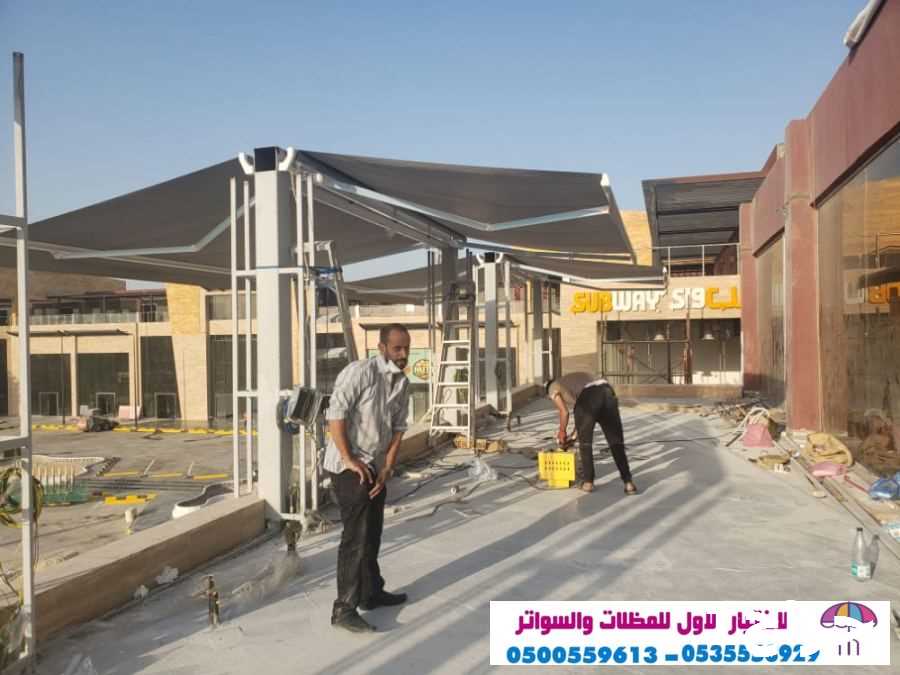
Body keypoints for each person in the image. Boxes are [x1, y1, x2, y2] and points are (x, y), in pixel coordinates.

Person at [324, 323, 411, 633]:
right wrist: (349, 459)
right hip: (347, 466)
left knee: (373, 531)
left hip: (374, 466)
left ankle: (370, 593)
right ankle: (344, 608)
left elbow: (399, 428)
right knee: (356, 536)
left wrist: (387, 466)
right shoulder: (359, 372)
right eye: (397, 348)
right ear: (382, 348)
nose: (402, 354)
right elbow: (335, 415)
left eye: (406, 348)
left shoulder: (402, 383)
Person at [545, 372, 637, 495]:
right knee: (615, 442)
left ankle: (588, 483)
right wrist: (573, 436)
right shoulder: (572, 384)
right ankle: (628, 483)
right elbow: (583, 420)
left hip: (589, 395)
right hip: (607, 391)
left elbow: (564, 412)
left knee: (585, 444)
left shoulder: (552, 387)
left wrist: (561, 432)